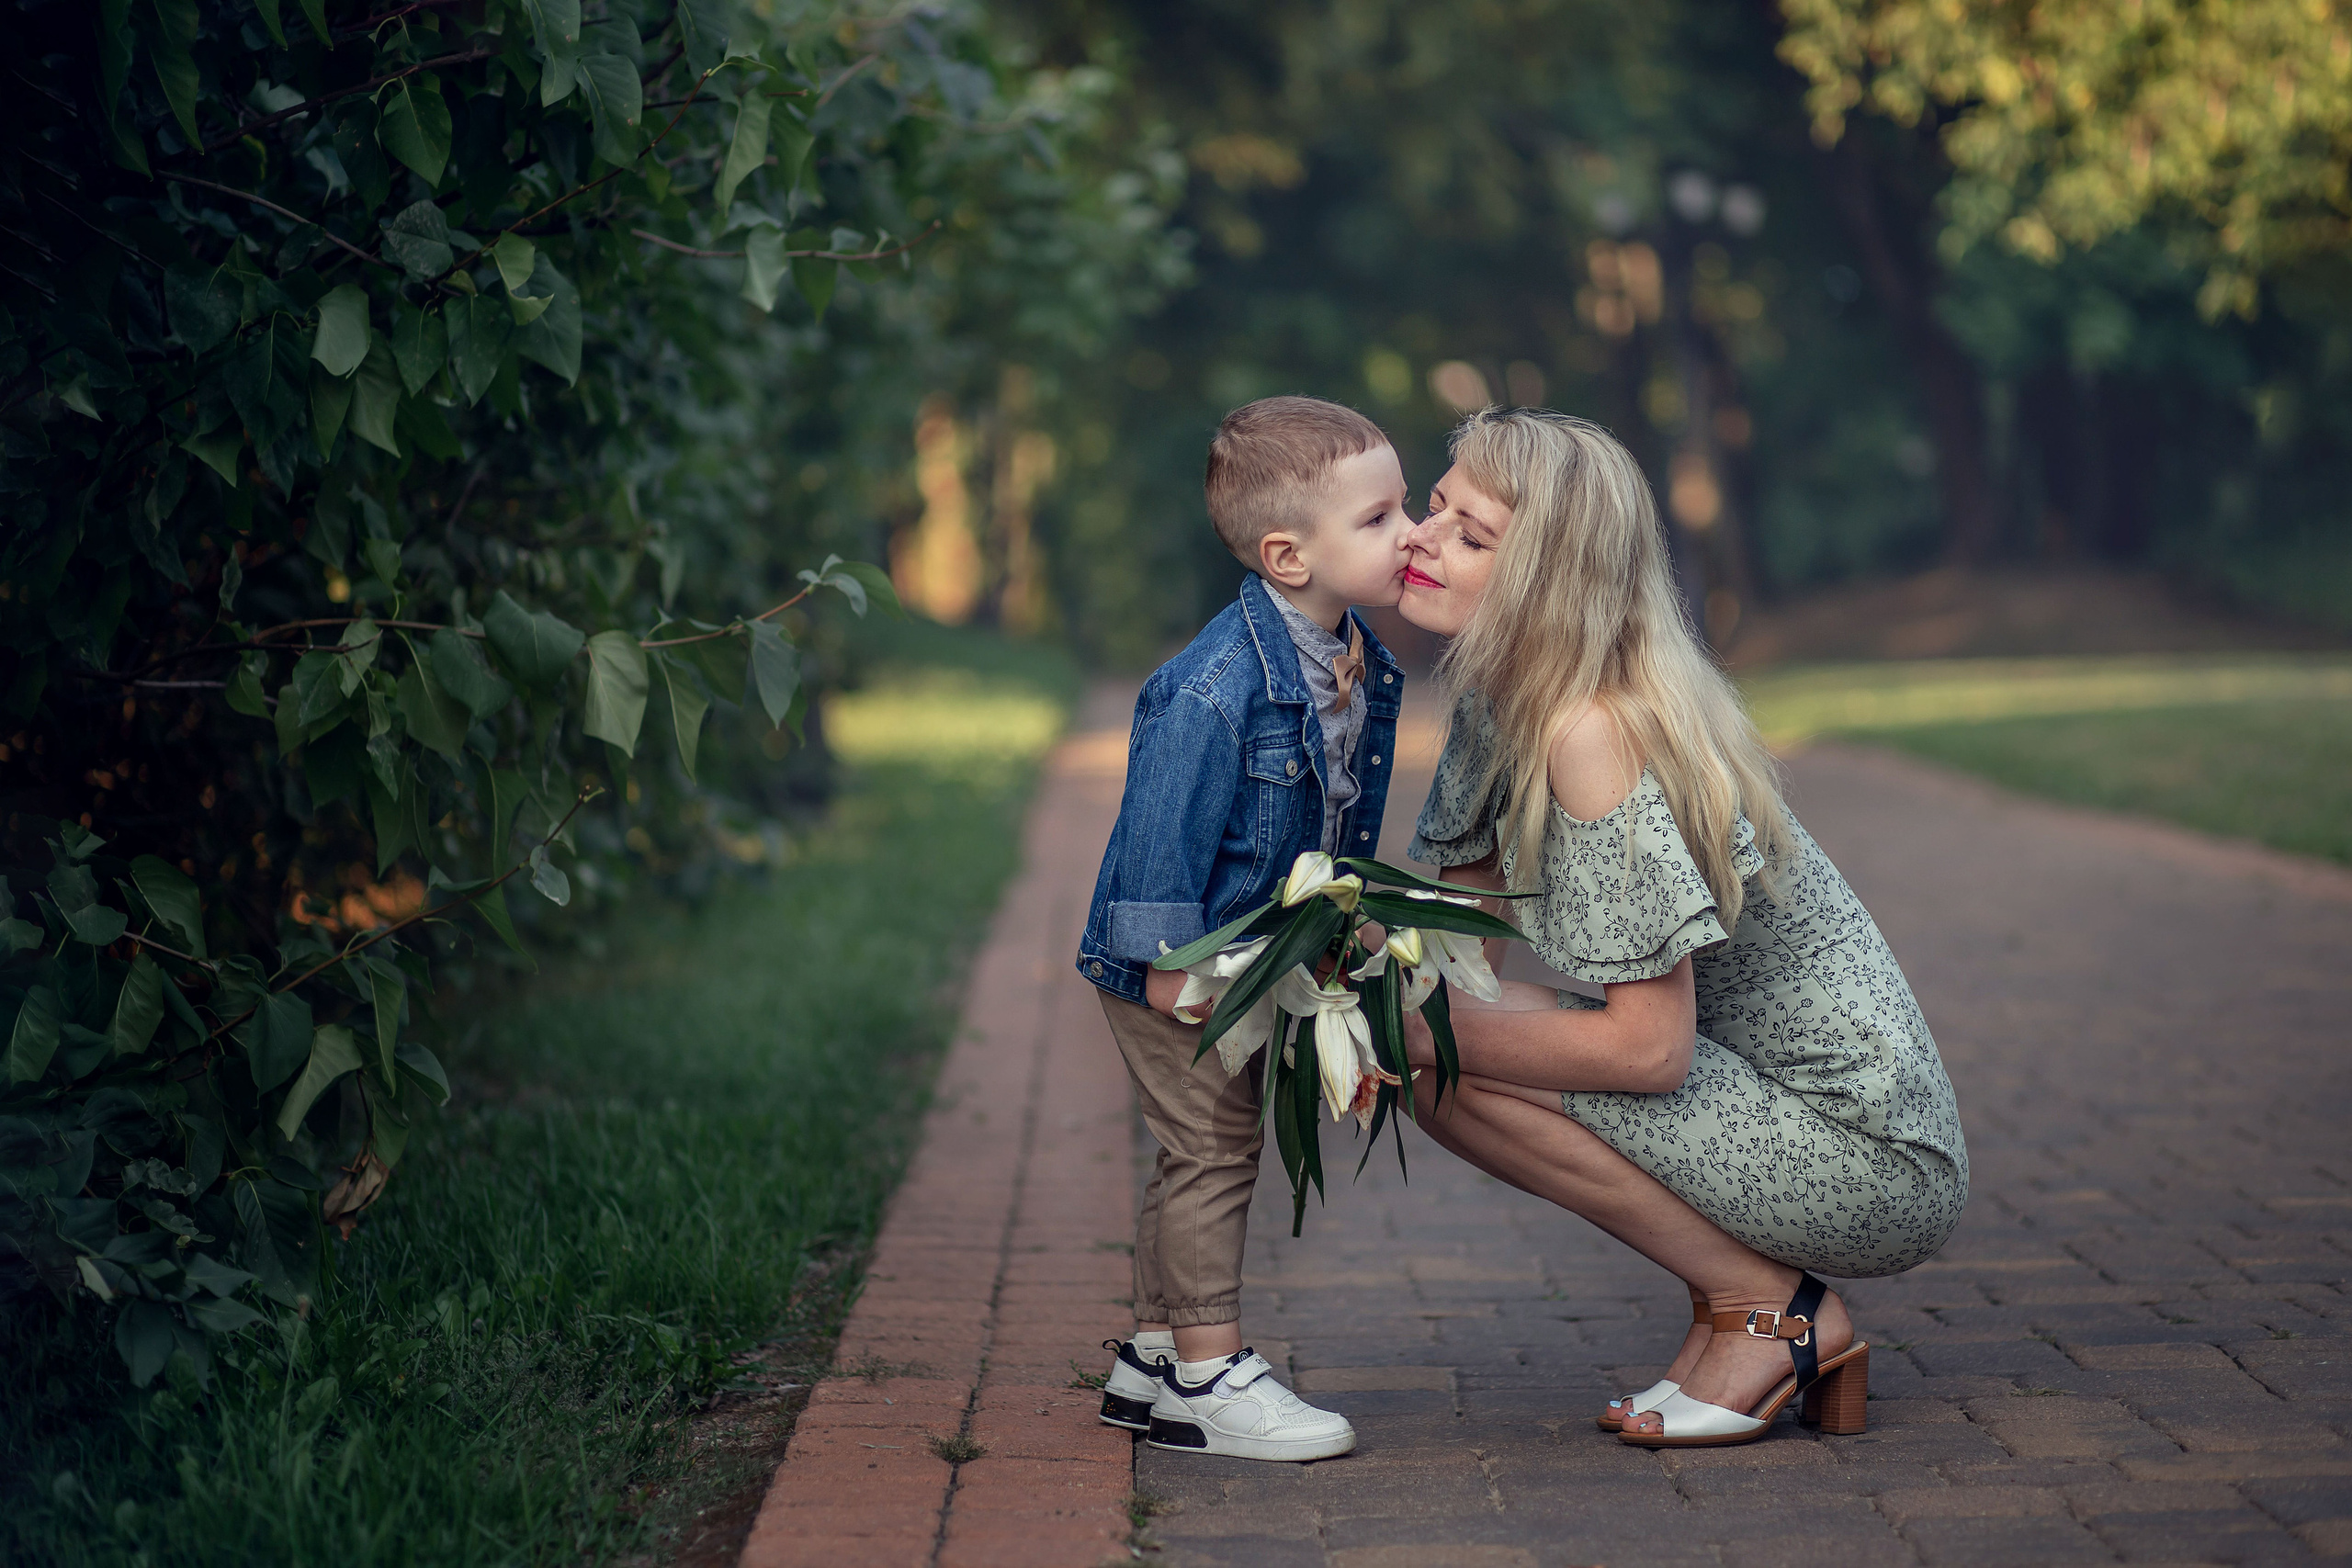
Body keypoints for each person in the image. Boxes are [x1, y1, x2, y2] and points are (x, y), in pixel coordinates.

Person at [1394, 408, 1968, 1448]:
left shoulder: (1592, 728)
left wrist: (1414, 1032)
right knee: (1433, 1039)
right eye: (1436, 510)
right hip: (1759, 1108)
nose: (1420, 540)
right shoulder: (1501, 696)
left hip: (1869, 1159)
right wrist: (1338, 999)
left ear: (1547, 578)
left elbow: (1646, 1051)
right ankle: (1747, 1310)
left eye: (1471, 536)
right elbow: (1453, 955)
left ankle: (1771, 1314)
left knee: (1446, 1043)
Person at [1076, 395, 1414, 1461]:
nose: (1410, 533)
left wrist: (1333, 933)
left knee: (1199, 1154)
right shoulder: (1218, 687)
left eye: (1404, 506)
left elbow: (1331, 817)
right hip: (1175, 962)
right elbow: (1155, 836)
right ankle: (1212, 1373)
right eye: (1379, 518)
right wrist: (1170, 973)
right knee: (1213, 1154)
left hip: (1248, 958)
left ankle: (1150, 1361)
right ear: (1287, 555)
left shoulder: (1356, 655)